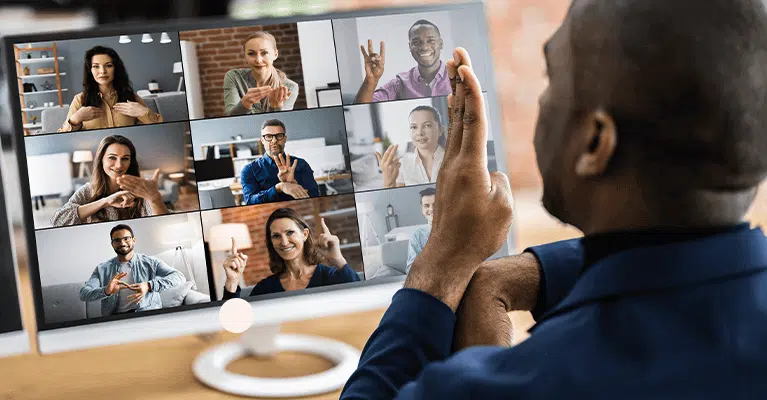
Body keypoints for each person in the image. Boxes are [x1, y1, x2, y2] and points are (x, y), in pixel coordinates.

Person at [341, 0, 767, 396]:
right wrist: (533, 273)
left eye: (552, 79)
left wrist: (443, 263)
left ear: (594, 142)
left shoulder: (530, 382)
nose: (543, 98)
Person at [221, 208, 361, 298]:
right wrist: (232, 282)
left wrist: (338, 259)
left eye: (290, 233)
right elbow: (235, 322)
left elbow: (361, 299)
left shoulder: (331, 277)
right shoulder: (265, 288)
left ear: (304, 234)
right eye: (276, 236)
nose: (284, 242)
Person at [51, 135, 169, 226]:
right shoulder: (87, 190)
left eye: (125, 159)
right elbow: (58, 221)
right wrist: (105, 202)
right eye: (112, 158)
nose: (119, 165)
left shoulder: (139, 190)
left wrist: (155, 199)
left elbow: (163, 224)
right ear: (101, 160)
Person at [79, 224, 185, 315]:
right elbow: (84, 294)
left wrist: (149, 285)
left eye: (126, 238)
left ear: (133, 240)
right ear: (112, 244)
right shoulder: (102, 269)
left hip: (148, 315)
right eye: (117, 240)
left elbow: (179, 277)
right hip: (115, 319)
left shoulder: (151, 262)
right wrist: (106, 290)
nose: (122, 243)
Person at [59, 46, 163, 132]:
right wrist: (76, 119)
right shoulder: (79, 100)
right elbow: (62, 136)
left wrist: (143, 112)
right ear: (90, 70)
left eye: (108, 65)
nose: (102, 71)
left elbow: (160, 130)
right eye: (96, 66)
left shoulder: (132, 97)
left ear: (116, 68)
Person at [355, 20, 451, 104]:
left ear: (441, 44)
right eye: (416, 42)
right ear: (410, 47)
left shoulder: (458, 76)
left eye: (431, 41)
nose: (424, 47)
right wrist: (371, 80)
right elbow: (361, 109)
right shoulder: (399, 84)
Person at [240, 119, 320, 205]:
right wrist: (279, 187)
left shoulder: (301, 164)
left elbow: (315, 197)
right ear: (262, 140)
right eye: (268, 136)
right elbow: (250, 201)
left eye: (279, 136)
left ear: (285, 139)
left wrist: (294, 185)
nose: (274, 140)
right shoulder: (249, 170)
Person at [223, 31, 299, 116]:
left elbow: (279, 125)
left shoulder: (290, 87)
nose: (258, 60)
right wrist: (245, 103)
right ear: (245, 56)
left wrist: (277, 107)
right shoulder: (233, 77)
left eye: (264, 53)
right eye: (251, 54)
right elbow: (230, 118)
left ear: (275, 54)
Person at [376, 105, 446, 188]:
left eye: (427, 125)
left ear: (441, 130)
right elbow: (396, 199)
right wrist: (388, 182)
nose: (419, 132)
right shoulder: (402, 165)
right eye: (414, 127)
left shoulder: (455, 160)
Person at [405, 187, 435, 274]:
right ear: (422, 209)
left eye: (435, 204)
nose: (431, 209)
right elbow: (411, 269)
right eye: (426, 206)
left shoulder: (454, 232)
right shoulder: (417, 237)